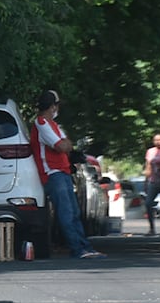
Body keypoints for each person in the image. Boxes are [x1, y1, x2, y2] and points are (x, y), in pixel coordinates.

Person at [30, 90, 106, 259]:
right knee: (66, 213)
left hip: (62, 172)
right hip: (52, 173)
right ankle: (77, 249)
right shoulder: (42, 123)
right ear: (52, 106)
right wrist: (65, 145)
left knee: (73, 212)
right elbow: (62, 146)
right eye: (56, 106)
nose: (57, 109)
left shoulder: (53, 125)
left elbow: (67, 144)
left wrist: (66, 145)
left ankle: (84, 247)